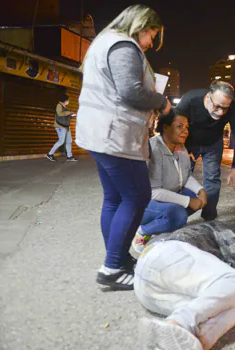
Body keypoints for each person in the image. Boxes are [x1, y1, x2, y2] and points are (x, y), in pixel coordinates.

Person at [76, 5, 171, 290]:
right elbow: (130, 90)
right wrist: (161, 102)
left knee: (115, 199)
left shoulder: (105, 42)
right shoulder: (123, 45)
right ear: (140, 25)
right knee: (137, 196)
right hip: (114, 136)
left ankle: (117, 260)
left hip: (103, 135)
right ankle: (112, 268)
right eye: (151, 36)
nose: (150, 44)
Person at [135, 221, 235, 350]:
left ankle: (193, 343)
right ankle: (178, 322)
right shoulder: (217, 226)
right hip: (166, 253)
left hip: (144, 289)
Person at [131, 110, 207, 254]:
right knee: (178, 214)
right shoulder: (154, 148)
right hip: (143, 203)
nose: (185, 131)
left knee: (199, 198)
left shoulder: (180, 147)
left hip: (165, 193)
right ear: (165, 127)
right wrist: (187, 201)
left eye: (186, 127)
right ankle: (142, 231)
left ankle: (164, 223)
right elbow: (153, 191)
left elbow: (185, 176)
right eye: (180, 126)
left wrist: (201, 190)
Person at [174, 81, 235, 221]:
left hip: (213, 143)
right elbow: (174, 126)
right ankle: (175, 215)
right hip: (189, 142)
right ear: (208, 96)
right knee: (179, 178)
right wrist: (180, 148)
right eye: (217, 106)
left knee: (212, 181)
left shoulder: (233, 107)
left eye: (225, 108)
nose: (220, 112)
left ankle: (209, 216)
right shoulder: (190, 99)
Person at [46, 94, 77, 162]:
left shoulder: (64, 107)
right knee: (61, 141)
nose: (68, 101)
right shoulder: (59, 105)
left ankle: (69, 156)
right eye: (68, 100)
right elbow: (60, 114)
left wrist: (71, 115)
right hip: (60, 126)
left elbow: (64, 116)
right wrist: (69, 112)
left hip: (66, 126)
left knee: (69, 141)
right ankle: (50, 154)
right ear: (65, 100)